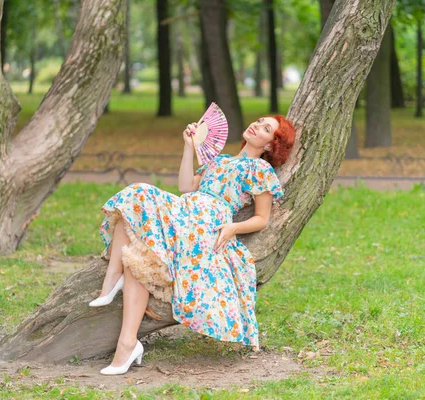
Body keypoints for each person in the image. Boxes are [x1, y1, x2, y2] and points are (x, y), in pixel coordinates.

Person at [90, 115, 295, 375]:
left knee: (139, 208)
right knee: (134, 207)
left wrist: (233, 227)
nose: (256, 126)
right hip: (186, 210)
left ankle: (125, 340)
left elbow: (261, 219)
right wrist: (189, 146)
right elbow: (186, 186)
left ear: (269, 145)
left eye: (266, 129)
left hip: (207, 224)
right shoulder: (219, 160)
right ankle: (116, 302)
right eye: (259, 121)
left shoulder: (260, 170)